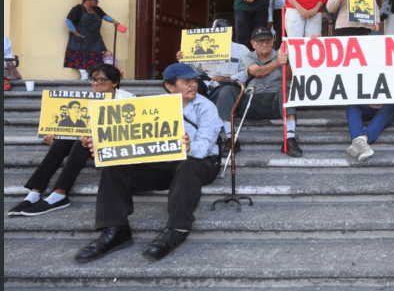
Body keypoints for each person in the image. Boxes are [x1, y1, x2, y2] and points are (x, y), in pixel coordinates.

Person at [74, 63, 221, 263]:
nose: (193, 85)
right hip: (165, 163)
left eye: (194, 80)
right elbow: (130, 140)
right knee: (114, 166)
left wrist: (188, 147)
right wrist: (99, 143)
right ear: (170, 87)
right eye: (186, 81)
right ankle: (116, 231)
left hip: (201, 163)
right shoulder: (152, 107)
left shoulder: (206, 107)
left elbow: (203, 149)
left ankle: (177, 228)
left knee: (188, 166)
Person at [7, 64, 134, 217]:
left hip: (110, 145)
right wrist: (56, 133)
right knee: (62, 140)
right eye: (93, 80)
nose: (95, 84)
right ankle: (35, 192)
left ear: (114, 82)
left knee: (82, 143)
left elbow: (128, 132)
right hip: (89, 142)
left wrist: (94, 138)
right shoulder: (87, 100)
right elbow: (76, 126)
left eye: (101, 80)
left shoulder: (127, 99)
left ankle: (60, 193)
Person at [212, 27, 303, 157]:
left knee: (287, 89)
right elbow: (257, 72)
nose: (264, 44)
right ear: (253, 44)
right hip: (252, 102)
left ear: (273, 42)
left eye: (267, 40)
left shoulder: (282, 55)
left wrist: (286, 61)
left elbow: (290, 78)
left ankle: (290, 139)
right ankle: (231, 139)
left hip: (276, 103)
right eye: (260, 41)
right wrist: (277, 62)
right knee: (226, 90)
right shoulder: (248, 56)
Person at [176, 19, 250, 146]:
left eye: (223, 31)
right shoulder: (205, 47)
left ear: (231, 32)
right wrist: (184, 60)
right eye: (216, 31)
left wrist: (227, 78)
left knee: (225, 92)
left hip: (229, 84)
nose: (219, 34)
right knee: (192, 87)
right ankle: (192, 130)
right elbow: (196, 70)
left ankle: (230, 138)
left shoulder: (241, 49)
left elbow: (247, 72)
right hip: (208, 83)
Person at [63, 0, 123, 80]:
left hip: (95, 38)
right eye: (95, 0)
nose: (97, 2)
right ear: (87, 0)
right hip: (81, 37)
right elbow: (68, 20)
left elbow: (105, 16)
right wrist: (75, 32)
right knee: (79, 56)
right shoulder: (78, 9)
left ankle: (94, 75)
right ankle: (84, 74)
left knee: (96, 57)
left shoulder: (97, 9)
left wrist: (114, 21)